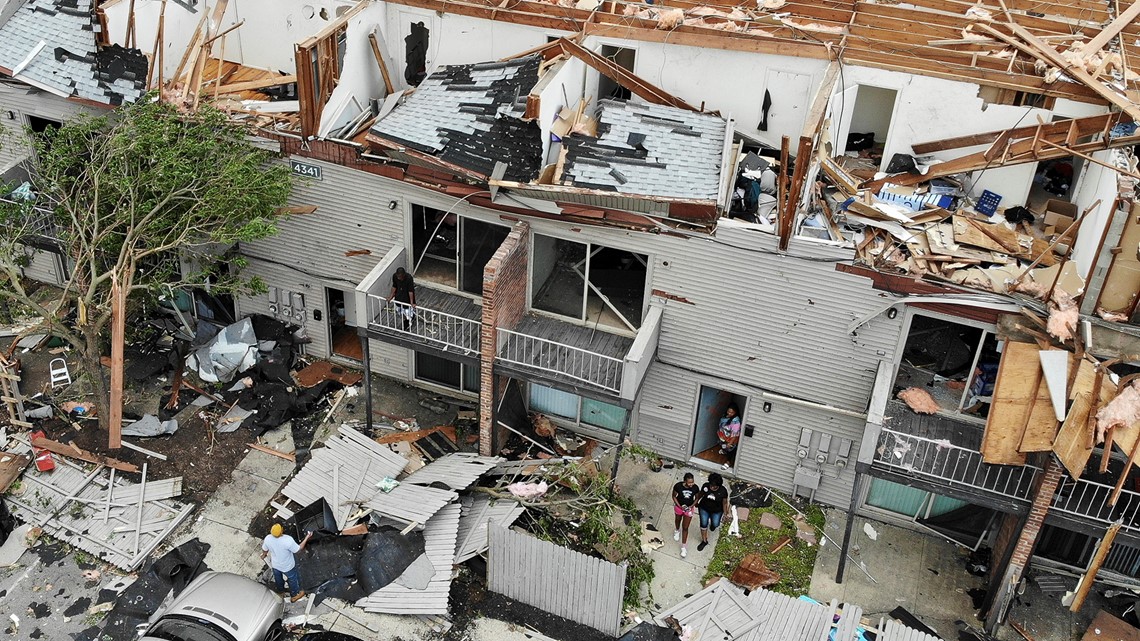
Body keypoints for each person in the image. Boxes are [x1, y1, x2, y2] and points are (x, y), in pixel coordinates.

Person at [261, 523, 313, 602]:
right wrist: (307, 537)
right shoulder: (287, 540)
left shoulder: (268, 538)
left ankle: (281, 592)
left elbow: (265, 549)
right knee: (292, 579)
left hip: (275, 565)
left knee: (278, 578)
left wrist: (264, 555)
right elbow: (298, 549)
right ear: (281, 531)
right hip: (288, 566)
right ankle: (294, 596)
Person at [696, 472, 730, 552]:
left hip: (717, 511)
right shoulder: (705, 486)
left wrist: (725, 513)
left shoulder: (723, 491)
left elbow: (724, 502)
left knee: (715, 524)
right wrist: (696, 501)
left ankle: (713, 525)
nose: (712, 487)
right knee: (703, 524)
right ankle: (704, 541)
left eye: (714, 486)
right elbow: (700, 494)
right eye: (711, 485)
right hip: (704, 508)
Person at [672, 473, 699, 558]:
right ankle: (677, 530)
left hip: (689, 509)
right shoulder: (678, 486)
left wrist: (691, 506)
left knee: (685, 527)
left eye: (692, 482)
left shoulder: (695, 488)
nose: (691, 484)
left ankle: (683, 547)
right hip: (679, 507)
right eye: (689, 483)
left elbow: (697, 498)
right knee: (677, 520)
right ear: (685, 481)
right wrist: (679, 506)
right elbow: (674, 496)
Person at [717, 404, 742, 469]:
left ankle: (728, 462)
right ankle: (724, 451)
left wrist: (730, 443)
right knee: (724, 446)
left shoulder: (736, 422)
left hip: (731, 439)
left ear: (735, 412)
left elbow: (735, 434)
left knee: (730, 450)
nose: (729, 413)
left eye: (732, 412)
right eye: (728, 411)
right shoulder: (725, 416)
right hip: (724, 436)